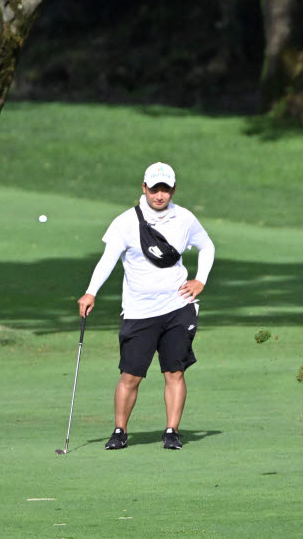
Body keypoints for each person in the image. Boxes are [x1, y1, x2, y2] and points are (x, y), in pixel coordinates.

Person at [77, 162, 215, 450]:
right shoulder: (125, 222)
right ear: (144, 188)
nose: (160, 195)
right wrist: (91, 292)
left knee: (174, 372)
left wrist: (200, 280)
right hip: (139, 311)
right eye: (154, 189)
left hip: (178, 307)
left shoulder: (185, 218)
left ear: (173, 190)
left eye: (165, 189)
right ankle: (119, 431)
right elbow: (108, 260)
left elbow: (207, 246)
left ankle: (171, 431)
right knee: (131, 375)